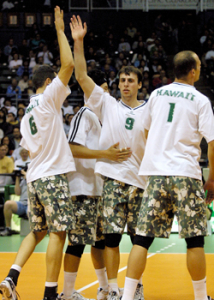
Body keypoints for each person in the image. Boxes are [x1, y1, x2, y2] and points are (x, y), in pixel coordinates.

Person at [121, 51, 214, 300]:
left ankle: (127, 297)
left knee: (142, 239)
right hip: (185, 174)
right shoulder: (200, 99)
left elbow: (146, 131)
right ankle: (201, 297)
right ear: (193, 70)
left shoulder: (157, 95)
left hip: (157, 174)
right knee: (194, 241)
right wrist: (212, 179)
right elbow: (212, 142)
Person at [0, 6, 76, 300]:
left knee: (38, 230)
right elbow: (68, 65)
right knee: (58, 232)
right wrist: (60, 30)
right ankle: (50, 293)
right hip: (52, 176)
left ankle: (11, 277)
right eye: (55, 80)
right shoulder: (47, 99)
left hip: (34, 178)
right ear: (48, 82)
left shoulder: (26, 112)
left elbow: (27, 148)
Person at [70, 15, 148, 300]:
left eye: (131, 80)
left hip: (140, 183)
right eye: (122, 80)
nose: (125, 84)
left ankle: (134, 288)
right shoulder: (107, 104)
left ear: (140, 84)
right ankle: (114, 291)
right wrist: (78, 42)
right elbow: (81, 76)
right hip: (113, 181)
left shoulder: (149, 110)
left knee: (140, 241)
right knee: (111, 240)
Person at [59, 72, 131, 300]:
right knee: (77, 243)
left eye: (106, 91)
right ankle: (67, 293)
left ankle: (105, 289)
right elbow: (73, 147)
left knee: (99, 243)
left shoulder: (103, 119)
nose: (104, 94)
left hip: (98, 190)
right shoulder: (85, 113)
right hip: (81, 188)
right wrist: (106, 154)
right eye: (100, 89)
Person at [0, 168, 28, 237]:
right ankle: (8, 229)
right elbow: (17, 193)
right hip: (22, 204)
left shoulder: (35, 179)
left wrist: (28, 177)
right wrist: (17, 179)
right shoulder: (23, 181)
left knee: (30, 211)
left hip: (32, 204)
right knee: (8, 204)